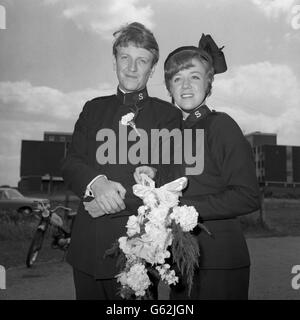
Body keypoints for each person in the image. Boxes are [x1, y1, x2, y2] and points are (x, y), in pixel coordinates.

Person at [61, 22, 182, 300]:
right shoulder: (93, 108)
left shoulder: (168, 116)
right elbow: (72, 163)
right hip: (88, 249)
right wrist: (96, 183)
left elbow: (171, 177)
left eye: (142, 61)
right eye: (125, 58)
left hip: (140, 249)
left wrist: (110, 204)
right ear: (114, 60)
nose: (131, 67)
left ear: (152, 69)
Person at [162, 34, 261, 299]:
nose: (185, 85)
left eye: (194, 76)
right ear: (168, 86)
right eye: (177, 78)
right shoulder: (166, 135)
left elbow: (247, 196)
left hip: (219, 263)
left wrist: (184, 209)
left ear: (209, 83)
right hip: (180, 266)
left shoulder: (221, 126)